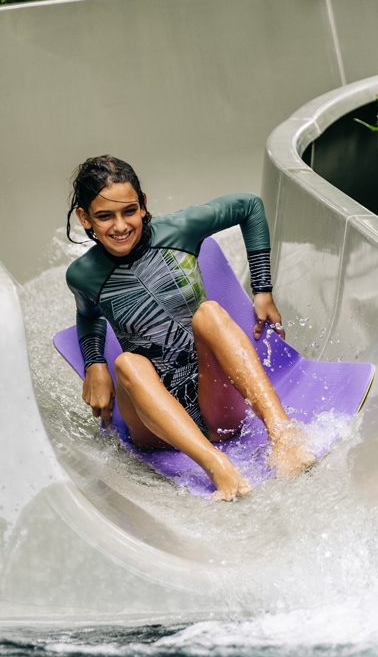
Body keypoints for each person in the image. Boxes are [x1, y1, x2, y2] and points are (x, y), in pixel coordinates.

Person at [65, 155, 315, 500]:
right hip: (156, 425)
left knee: (209, 312)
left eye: (129, 211)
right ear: (85, 218)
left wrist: (262, 289)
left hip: (216, 404)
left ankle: (284, 435)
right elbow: (88, 315)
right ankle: (216, 466)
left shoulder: (179, 230)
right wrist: (95, 363)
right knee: (125, 362)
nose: (120, 226)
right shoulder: (82, 275)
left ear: (143, 205)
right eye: (105, 216)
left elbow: (249, 206)